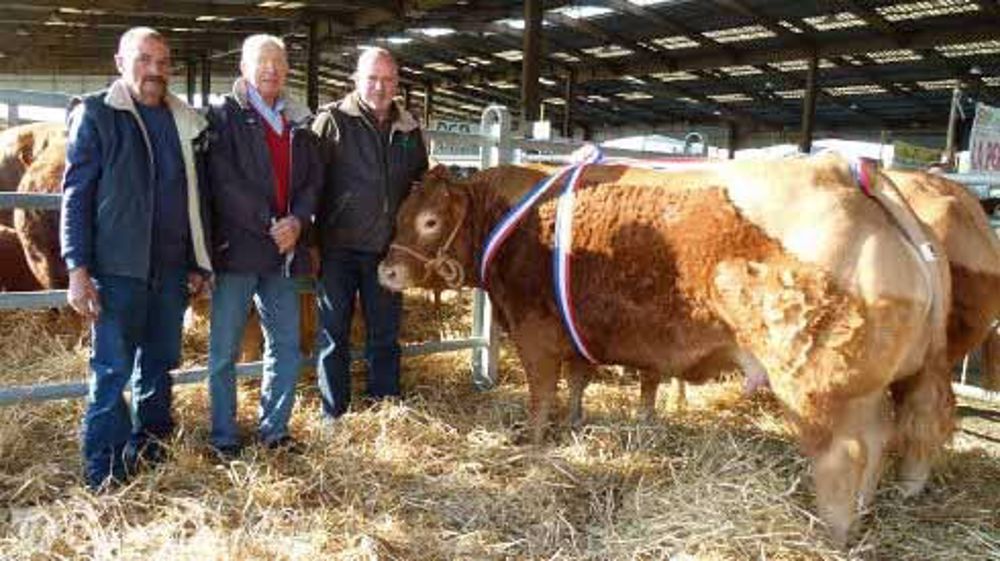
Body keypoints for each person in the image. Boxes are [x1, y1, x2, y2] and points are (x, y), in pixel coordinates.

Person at [60, 27, 212, 490]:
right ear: (120, 63)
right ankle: (103, 471)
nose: (155, 70)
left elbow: (194, 199)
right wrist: (77, 268)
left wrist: (197, 262)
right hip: (117, 270)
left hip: (168, 272)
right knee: (111, 372)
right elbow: (76, 194)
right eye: (144, 59)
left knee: (159, 366)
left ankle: (152, 453)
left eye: (163, 63)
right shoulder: (98, 114)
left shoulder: (184, 120)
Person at [204, 34, 320, 457]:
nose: (270, 68)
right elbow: (223, 180)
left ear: (287, 69)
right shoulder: (224, 116)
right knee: (224, 349)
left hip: (284, 254)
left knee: (286, 345)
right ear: (244, 69)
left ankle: (275, 430)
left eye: (277, 61)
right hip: (238, 250)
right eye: (261, 61)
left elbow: (313, 181)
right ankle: (223, 435)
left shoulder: (299, 122)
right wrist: (270, 222)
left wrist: (299, 221)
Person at [312, 47, 428, 419]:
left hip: (387, 249)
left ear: (397, 83)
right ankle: (334, 413)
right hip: (338, 248)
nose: (380, 87)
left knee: (384, 333)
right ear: (356, 80)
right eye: (372, 78)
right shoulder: (332, 121)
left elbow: (420, 187)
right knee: (334, 335)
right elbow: (309, 185)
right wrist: (311, 242)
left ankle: (385, 409)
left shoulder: (409, 128)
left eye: (388, 79)